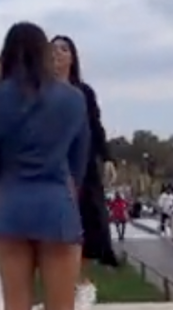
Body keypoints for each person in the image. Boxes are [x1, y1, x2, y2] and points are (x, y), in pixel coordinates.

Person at [0, 22, 90, 310]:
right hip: (56, 205)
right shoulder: (73, 99)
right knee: (62, 305)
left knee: (16, 303)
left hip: (11, 204)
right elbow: (79, 160)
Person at [52, 34, 118, 309]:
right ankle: (67, 286)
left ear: (72, 57)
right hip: (53, 166)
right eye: (52, 49)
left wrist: (108, 158)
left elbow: (96, 128)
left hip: (83, 166)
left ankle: (82, 282)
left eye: (63, 49)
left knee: (86, 224)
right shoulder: (39, 91)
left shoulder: (84, 92)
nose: (57, 53)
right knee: (58, 229)